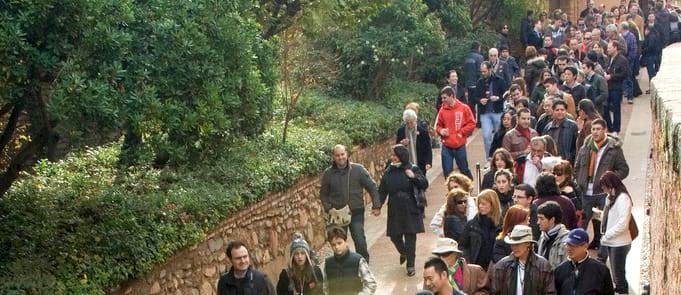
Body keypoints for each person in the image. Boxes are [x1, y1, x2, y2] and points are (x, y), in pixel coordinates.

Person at [320, 144, 381, 262]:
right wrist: (328, 208)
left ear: (347, 154)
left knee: (360, 241)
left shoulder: (358, 170)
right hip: (337, 215)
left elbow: (372, 187)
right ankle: (342, 269)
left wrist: (376, 205)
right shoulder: (328, 174)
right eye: (337, 155)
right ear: (333, 157)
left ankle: (364, 266)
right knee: (338, 244)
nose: (340, 157)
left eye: (342, 154)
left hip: (356, 212)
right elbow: (323, 194)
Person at [574, 119, 629, 250]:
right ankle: (578, 247)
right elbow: (577, 166)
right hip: (586, 191)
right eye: (593, 129)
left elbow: (624, 169)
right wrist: (579, 179)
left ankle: (602, 249)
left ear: (605, 130)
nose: (595, 132)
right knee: (582, 222)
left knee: (603, 221)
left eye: (598, 129)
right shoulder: (586, 147)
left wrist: (610, 181)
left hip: (602, 192)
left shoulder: (613, 149)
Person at [376, 144, 429, 276]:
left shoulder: (413, 168)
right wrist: (377, 206)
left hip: (410, 206)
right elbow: (382, 190)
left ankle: (410, 265)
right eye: (392, 155)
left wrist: (413, 177)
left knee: (410, 237)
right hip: (395, 207)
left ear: (401, 156)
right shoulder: (389, 171)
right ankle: (404, 252)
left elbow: (424, 183)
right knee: (394, 236)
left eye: (395, 155)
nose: (392, 157)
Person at [488, 225, 556, 295]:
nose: (514, 247)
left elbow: (550, 292)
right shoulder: (502, 265)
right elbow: (495, 292)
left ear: (528, 243)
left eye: (518, 244)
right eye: (512, 244)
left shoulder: (543, 266)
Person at [598, 171, 634, 294]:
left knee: (618, 275)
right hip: (612, 242)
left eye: (604, 186)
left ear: (611, 185)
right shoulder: (611, 197)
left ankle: (623, 292)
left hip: (620, 243)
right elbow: (610, 217)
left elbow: (623, 223)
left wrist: (608, 235)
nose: (603, 189)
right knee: (616, 274)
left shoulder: (623, 198)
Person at [554, 228, 614, 294]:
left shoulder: (601, 270)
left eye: (574, 245)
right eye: (568, 244)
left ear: (585, 246)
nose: (569, 248)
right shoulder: (560, 270)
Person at [437, 86, 477, 180]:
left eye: (444, 98)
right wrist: (441, 131)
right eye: (442, 98)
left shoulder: (464, 108)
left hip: (459, 145)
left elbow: (472, 123)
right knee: (447, 172)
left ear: (452, 96)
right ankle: (451, 192)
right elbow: (438, 125)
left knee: (464, 169)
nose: (442, 100)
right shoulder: (442, 110)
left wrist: (461, 132)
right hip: (446, 145)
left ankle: (469, 187)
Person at [324, 226, 377, 295]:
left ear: (346, 242)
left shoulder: (358, 260)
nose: (337, 247)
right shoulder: (328, 263)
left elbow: (371, 284)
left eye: (339, 243)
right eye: (333, 245)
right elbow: (326, 288)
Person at [459, 189, 502, 270]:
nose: (480, 206)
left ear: (493, 205)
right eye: (479, 204)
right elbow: (462, 246)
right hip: (476, 267)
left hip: (495, 268)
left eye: (484, 204)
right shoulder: (471, 225)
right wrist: (468, 260)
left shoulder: (501, 225)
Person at [476, 61, 508, 158]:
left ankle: (501, 156)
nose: (483, 73)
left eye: (484, 71)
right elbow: (475, 97)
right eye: (481, 72)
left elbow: (506, 94)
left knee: (499, 136)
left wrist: (498, 98)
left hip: (497, 111)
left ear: (490, 70)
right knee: (486, 136)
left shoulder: (500, 80)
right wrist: (480, 100)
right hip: (485, 112)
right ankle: (489, 157)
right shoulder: (480, 82)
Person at [604, 41, 628, 135]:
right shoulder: (608, 58)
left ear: (615, 48)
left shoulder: (622, 60)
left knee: (616, 108)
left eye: (609, 48)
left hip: (616, 87)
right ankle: (610, 127)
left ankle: (616, 129)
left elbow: (624, 74)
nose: (608, 50)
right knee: (605, 107)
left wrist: (612, 76)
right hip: (607, 87)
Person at [397, 109, 433, 173]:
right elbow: (397, 147)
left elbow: (428, 148)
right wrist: (401, 143)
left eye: (411, 122)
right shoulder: (401, 131)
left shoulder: (423, 132)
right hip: (406, 165)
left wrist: (428, 162)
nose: (410, 125)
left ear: (415, 120)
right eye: (407, 123)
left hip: (420, 164)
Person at [536, 201, 570, 268]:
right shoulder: (543, 237)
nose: (538, 222)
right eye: (538, 218)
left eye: (541, 218)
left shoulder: (566, 240)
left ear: (552, 220)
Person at [464, 42, 485, 119]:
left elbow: (465, 71)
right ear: (478, 48)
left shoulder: (467, 57)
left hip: (469, 84)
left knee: (471, 103)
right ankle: (479, 122)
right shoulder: (480, 57)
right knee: (480, 102)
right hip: (477, 84)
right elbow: (481, 71)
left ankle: (472, 119)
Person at [619, 22, 638, 104]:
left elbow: (633, 50)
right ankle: (623, 94)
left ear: (622, 28)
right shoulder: (621, 37)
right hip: (622, 60)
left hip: (628, 61)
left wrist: (628, 60)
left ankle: (630, 96)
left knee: (629, 78)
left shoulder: (631, 37)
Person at [641, 25, 661, 93]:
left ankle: (652, 88)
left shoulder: (651, 37)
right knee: (651, 73)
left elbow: (650, 47)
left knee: (651, 73)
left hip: (651, 57)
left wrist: (643, 51)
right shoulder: (653, 36)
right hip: (652, 56)